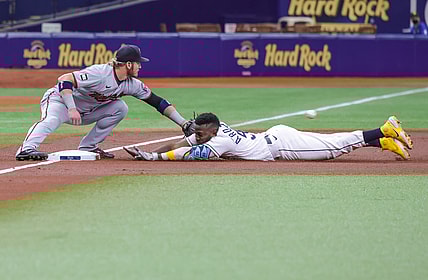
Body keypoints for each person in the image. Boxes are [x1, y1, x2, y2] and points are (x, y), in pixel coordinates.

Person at [16, 44, 194, 161]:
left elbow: (158, 102)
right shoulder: (99, 73)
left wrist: (183, 122)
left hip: (86, 110)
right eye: (138, 63)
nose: (140, 66)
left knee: (120, 108)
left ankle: (89, 147)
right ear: (128, 65)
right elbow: (64, 79)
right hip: (61, 101)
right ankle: (26, 149)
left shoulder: (131, 84)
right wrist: (71, 108)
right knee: (52, 119)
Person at [123, 113, 413, 161]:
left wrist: (154, 157)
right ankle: (381, 141)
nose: (196, 135)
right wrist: (154, 152)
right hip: (275, 136)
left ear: (212, 129)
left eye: (200, 131)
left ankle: (384, 129)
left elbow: (185, 154)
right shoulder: (213, 131)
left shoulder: (218, 140)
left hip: (284, 145)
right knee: (336, 142)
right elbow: (180, 143)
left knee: (335, 147)